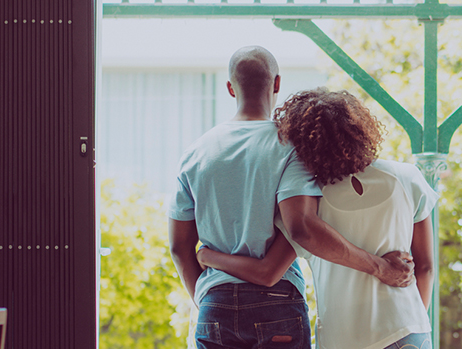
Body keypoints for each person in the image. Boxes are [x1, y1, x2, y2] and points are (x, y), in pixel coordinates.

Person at [168, 47, 415, 349]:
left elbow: (180, 247)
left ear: (231, 88)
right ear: (276, 84)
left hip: (214, 303)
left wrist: (207, 296)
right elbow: (301, 228)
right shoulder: (289, 147)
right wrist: (378, 266)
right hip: (277, 304)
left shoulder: (194, 154)